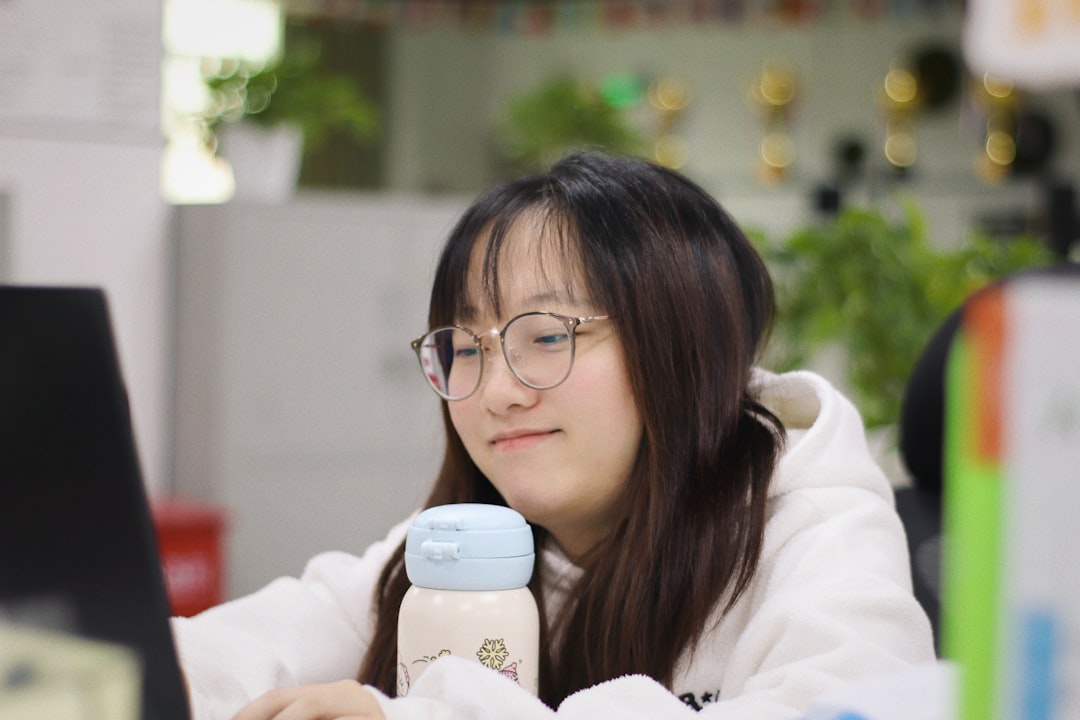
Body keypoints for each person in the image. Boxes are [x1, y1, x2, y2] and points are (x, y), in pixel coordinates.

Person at [173, 152, 935, 720]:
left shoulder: (813, 525)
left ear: (679, 344)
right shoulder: (475, 544)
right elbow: (274, 635)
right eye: (466, 348)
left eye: (545, 336)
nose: (497, 391)